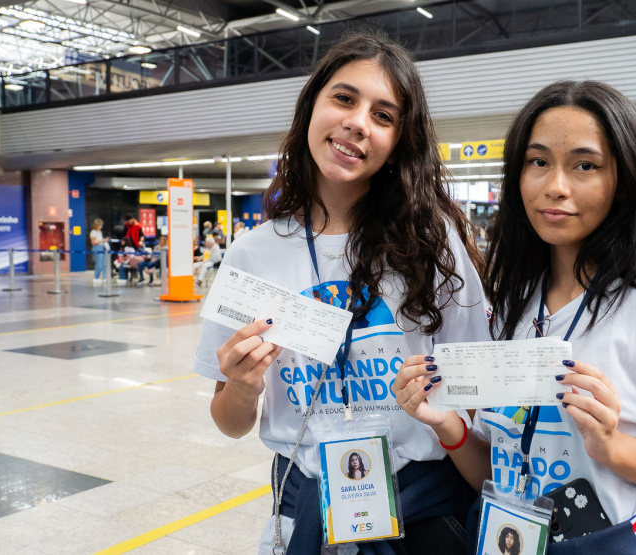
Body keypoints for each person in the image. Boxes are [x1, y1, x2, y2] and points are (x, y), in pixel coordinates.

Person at [395, 81, 636, 554]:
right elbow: (496, 473)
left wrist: (613, 447)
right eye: (538, 162)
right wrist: (449, 427)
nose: (556, 186)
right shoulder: (514, 302)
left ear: (623, 181)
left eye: (585, 165)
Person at [192, 30, 491, 555]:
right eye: (345, 98)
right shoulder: (253, 254)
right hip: (308, 509)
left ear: (399, 142)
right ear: (312, 105)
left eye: (383, 115)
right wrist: (241, 386)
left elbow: (476, 390)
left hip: (427, 512)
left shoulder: (432, 242)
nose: (358, 122)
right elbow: (230, 422)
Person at [89, 218, 109, 283]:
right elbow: (93, 242)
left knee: (104, 263)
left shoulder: (99, 232)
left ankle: (104, 276)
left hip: (102, 247)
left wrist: (104, 240)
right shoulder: (93, 232)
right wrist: (102, 241)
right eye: (100, 225)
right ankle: (96, 277)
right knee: (99, 264)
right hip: (97, 248)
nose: (101, 226)